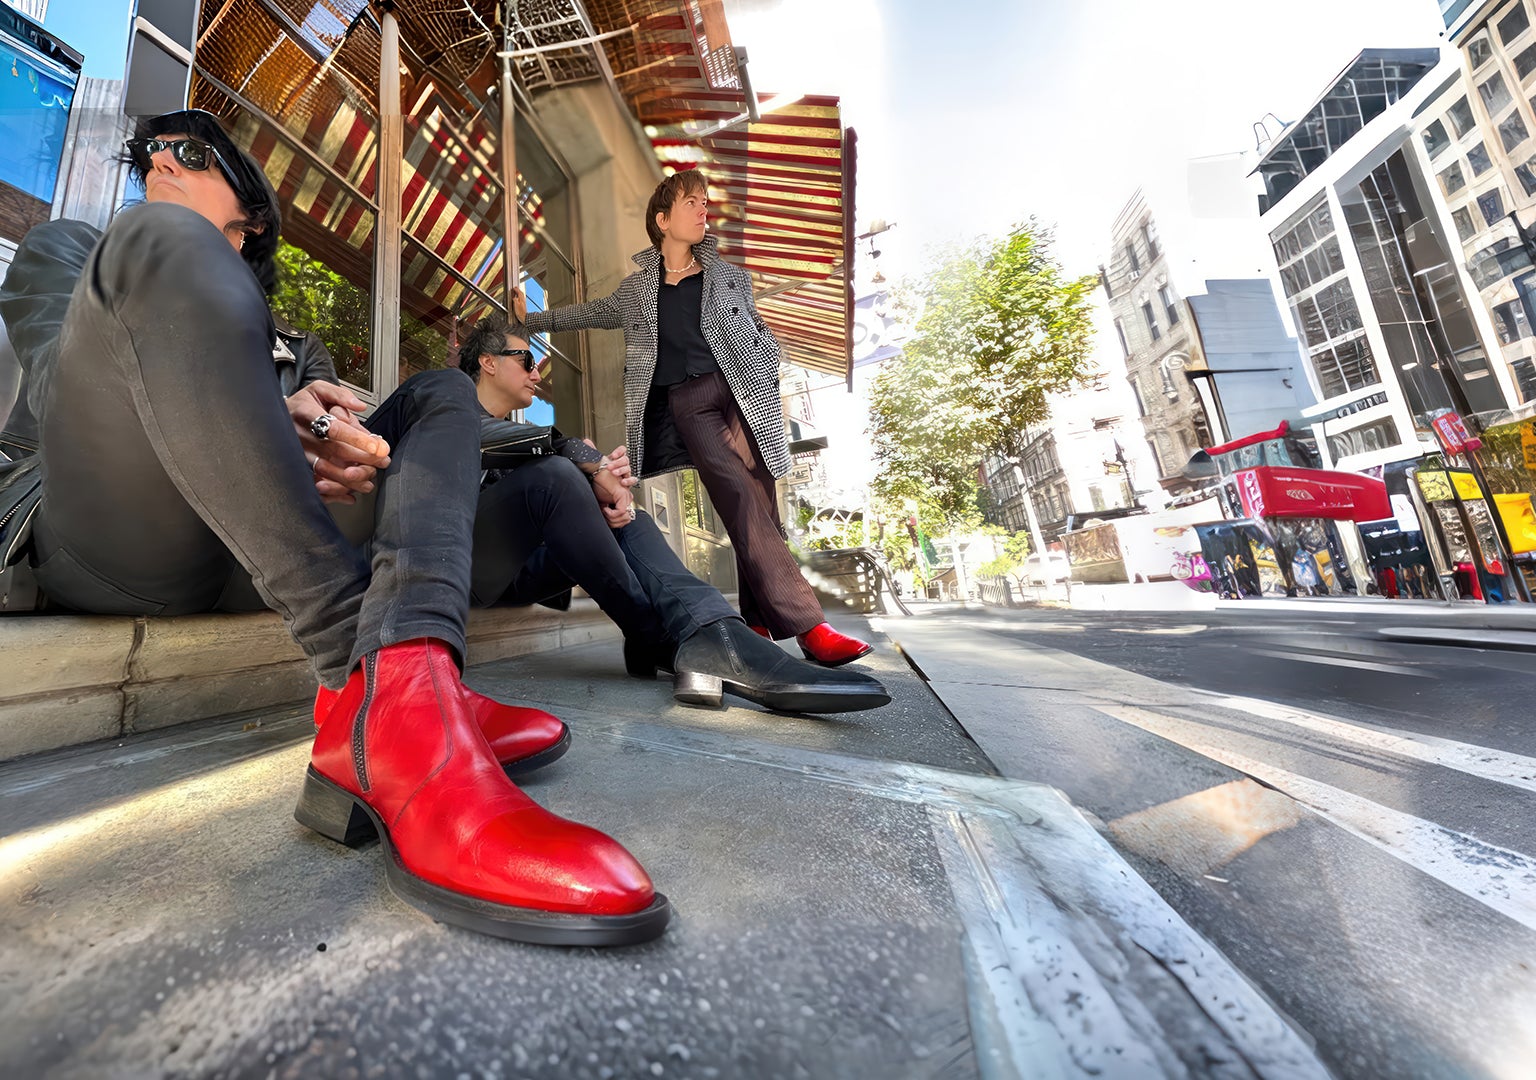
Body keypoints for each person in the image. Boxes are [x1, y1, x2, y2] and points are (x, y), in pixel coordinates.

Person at [0, 109, 666, 947]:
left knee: (440, 394)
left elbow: (345, 439)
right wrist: (282, 416)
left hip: (255, 544)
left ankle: (412, 671)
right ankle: (376, 698)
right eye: (150, 153)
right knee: (158, 242)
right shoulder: (83, 251)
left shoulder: (296, 342)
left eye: (191, 153)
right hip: (113, 524)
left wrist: (335, 439)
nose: (160, 161)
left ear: (247, 221)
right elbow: (69, 390)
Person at [512, 169, 872, 667]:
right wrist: (529, 319)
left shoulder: (729, 276)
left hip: (746, 394)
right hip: (689, 402)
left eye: (706, 201)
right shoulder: (638, 289)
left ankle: (758, 618)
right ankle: (810, 627)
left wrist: (768, 364)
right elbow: (588, 313)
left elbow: (757, 328)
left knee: (761, 508)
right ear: (663, 220)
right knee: (741, 497)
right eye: (692, 202)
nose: (704, 208)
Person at [455, 316, 889, 713]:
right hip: (467, 563)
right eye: (526, 360)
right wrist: (584, 460)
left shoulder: (524, 440)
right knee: (559, 470)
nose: (537, 372)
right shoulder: (448, 407)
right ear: (488, 363)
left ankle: (716, 634)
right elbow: (496, 453)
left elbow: (540, 508)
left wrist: (597, 499)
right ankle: (673, 639)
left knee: (631, 518)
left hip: (524, 566)